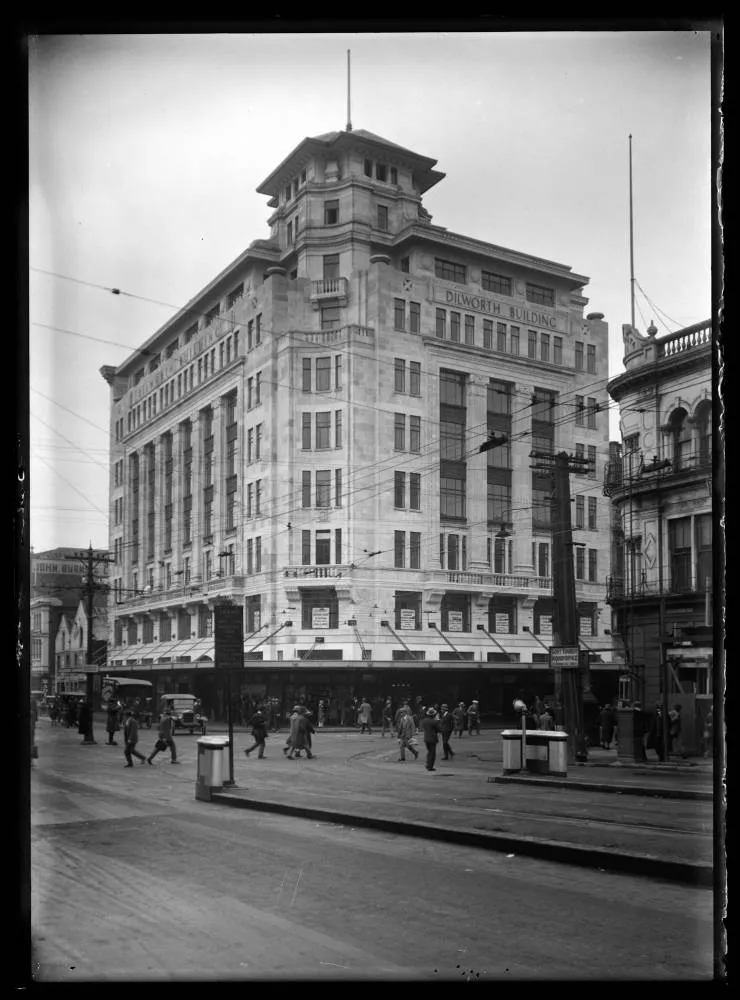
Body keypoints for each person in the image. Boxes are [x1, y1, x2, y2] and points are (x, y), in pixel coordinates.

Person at [421, 707, 443, 771]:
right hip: (432, 739)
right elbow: (440, 730)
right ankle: (430, 766)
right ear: (434, 715)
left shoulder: (424, 720)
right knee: (432, 753)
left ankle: (428, 764)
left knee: (429, 752)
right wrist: (438, 720)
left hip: (426, 738)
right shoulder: (435, 722)